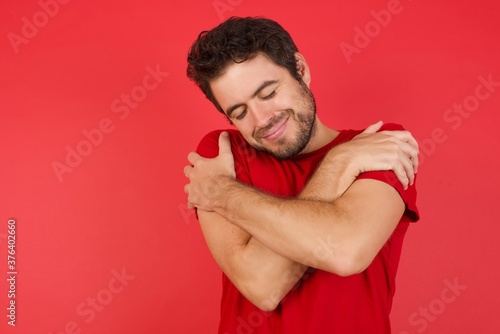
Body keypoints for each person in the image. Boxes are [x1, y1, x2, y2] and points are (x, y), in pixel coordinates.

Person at [184, 16, 420, 334]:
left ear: (302, 70)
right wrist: (341, 167)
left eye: (268, 93)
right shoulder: (223, 151)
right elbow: (262, 286)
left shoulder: (378, 145)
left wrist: (223, 193)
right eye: (239, 112)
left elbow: (344, 251)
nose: (262, 119)